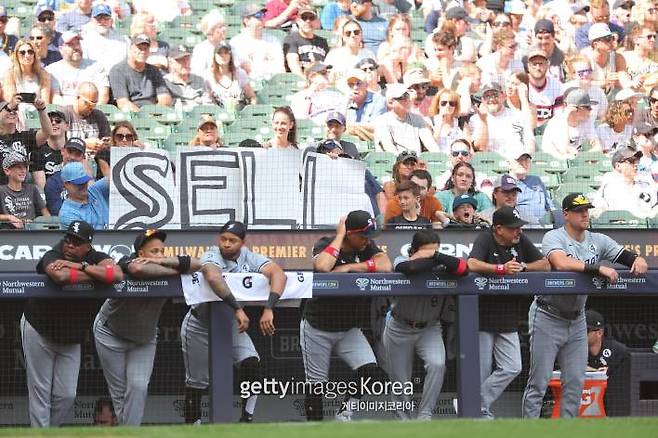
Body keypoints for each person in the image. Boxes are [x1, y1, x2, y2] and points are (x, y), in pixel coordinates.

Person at [521, 193, 648, 418]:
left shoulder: (598, 240)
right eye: (579, 210)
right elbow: (560, 263)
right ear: (566, 214)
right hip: (547, 314)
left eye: (587, 209)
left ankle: (568, 431)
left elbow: (629, 257)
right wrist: (598, 268)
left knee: (576, 381)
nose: (585, 214)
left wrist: (638, 260)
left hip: (577, 318)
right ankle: (530, 430)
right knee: (539, 381)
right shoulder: (554, 236)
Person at [181, 221, 287, 423]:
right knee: (197, 382)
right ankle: (192, 428)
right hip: (199, 324)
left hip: (229, 324)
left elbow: (278, 274)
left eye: (232, 240)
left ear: (242, 242)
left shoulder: (250, 256)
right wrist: (238, 308)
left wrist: (269, 308)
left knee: (251, 363)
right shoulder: (212, 254)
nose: (226, 244)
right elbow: (212, 276)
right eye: (223, 239)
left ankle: (246, 419)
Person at [94, 229, 200, 425]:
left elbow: (197, 265)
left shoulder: (164, 262)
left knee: (139, 387)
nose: (160, 255)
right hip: (110, 334)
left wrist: (160, 262)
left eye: (162, 251)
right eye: (154, 252)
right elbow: (138, 270)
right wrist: (175, 270)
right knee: (120, 396)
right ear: (141, 254)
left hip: (144, 339)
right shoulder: (127, 260)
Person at [22, 220, 122, 427]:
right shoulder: (54, 253)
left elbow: (117, 274)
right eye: (69, 239)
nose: (69, 245)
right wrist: (95, 275)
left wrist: (80, 266)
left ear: (88, 246)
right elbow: (59, 276)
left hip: (70, 336)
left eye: (77, 242)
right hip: (39, 327)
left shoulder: (95, 257)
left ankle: (49, 431)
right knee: (40, 393)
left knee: (67, 394)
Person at [303, 210, 391, 421]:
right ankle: (316, 431)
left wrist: (349, 267)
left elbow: (386, 265)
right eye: (362, 235)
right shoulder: (327, 243)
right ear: (349, 233)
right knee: (317, 385)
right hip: (318, 326)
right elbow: (323, 266)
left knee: (369, 370)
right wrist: (340, 235)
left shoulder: (367, 246)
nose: (367, 240)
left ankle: (344, 413)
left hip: (348, 328)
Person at [468, 207, 550, 419]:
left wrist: (524, 267)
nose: (518, 231)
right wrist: (500, 269)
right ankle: (480, 414)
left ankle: (473, 403)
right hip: (482, 316)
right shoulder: (486, 238)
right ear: (498, 229)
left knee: (513, 366)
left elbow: (545, 264)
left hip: (507, 316)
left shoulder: (520, 241)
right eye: (513, 228)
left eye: (519, 227)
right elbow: (472, 263)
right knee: (481, 372)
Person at [384, 230, 468, 420]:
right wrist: (432, 259)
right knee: (400, 379)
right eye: (426, 252)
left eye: (435, 252)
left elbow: (464, 269)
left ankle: (425, 415)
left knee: (438, 365)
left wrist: (435, 256)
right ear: (413, 250)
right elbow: (410, 268)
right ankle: (403, 422)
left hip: (429, 328)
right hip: (399, 327)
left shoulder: (442, 263)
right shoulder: (400, 259)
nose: (432, 255)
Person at [470, 82, 534, 159]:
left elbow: (530, 141)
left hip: (517, 161)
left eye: (495, 95)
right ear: (482, 100)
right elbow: (480, 148)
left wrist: (527, 158)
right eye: (487, 96)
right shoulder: (475, 119)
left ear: (504, 96)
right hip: (491, 163)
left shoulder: (518, 115)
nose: (491, 99)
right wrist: (483, 121)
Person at [109, 33, 172, 112]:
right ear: (130, 49)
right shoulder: (118, 70)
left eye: (145, 48)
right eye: (139, 48)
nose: (143, 52)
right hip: (131, 115)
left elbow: (165, 98)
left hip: (153, 113)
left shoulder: (154, 70)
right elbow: (123, 103)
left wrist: (155, 112)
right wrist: (143, 116)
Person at [586, 309, 630, 417]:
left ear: (599, 333)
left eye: (586, 331)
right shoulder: (573, 349)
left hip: (611, 403)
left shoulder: (617, 350)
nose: (580, 334)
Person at [47, 31, 110, 106]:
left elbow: (103, 95)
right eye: (71, 45)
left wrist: (93, 112)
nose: (76, 47)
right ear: (61, 49)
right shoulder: (52, 70)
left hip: (92, 112)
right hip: (64, 113)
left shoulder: (96, 67)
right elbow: (55, 97)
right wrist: (72, 113)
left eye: (78, 43)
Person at [592, 147, 658, 218]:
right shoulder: (609, 188)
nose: (636, 164)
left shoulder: (646, 187)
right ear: (618, 166)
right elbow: (598, 212)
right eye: (631, 161)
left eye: (637, 161)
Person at [0, 96, 53, 186]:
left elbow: (47, 132)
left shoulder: (25, 137)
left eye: (15, 110)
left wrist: (42, 110)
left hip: (20, 192)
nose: (12, 112)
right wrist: (9, 107)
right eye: (8, 110)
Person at [374, 84, 439, 154]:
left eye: (408, 96)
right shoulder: (382, 121)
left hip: (416, 162)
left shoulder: (417, 119)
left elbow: (430, 143)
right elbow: (389, 148)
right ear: (390, 102)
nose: (407, 100)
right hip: (393, 162)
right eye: (402, 97)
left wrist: (440, 158)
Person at [230, 4, 285, 83]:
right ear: (247, 21)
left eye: (263, 15)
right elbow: (241, 69)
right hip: (248, 85)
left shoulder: (273, 40)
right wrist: (267, 67)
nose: (262, 18)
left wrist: (255, 68)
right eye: (258, 16)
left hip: (273, 85)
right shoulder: (236, 42)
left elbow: (280, 68)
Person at [541, 89, 601, 160]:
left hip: (574, 162)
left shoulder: (586, 121)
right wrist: (566, 115)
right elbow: (564, 150)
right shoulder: (557, 122)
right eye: (588, 107)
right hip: (554, 163)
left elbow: (598, 147)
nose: (591, 110)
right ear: (575, 109)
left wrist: (583, 157)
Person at [44, 137, 93, 215]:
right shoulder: (53, 182)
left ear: (83, 157)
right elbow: (57, 212)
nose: (73, 157)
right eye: (70, 152)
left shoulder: (89, 178)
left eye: (77, 154)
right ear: (62, 151)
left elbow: (95, 205)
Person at [508, 153, 560, 225]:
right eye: (519, 160)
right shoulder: (505, 182)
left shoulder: (536, 179)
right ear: (509, 163)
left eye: (526, 161)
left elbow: (549, 205)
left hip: (544, 224)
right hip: (522, 225)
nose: (523, 163)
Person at [0, 153, 49, 229]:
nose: (23, 171)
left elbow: (45, 213)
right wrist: (9, 217)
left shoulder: (32, 189)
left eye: (25, 167)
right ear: (7, 171)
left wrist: (48, 227)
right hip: (8, 234)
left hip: (32, 232)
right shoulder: (2, 191)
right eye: (19, 167)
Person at [205, 43, 257, 112]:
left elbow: (252, 97)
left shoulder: (240, 74)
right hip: (217, 116)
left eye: (226, 53)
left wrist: (249, 111)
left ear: (230, 56)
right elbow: (207, 103)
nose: (223, 56)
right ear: (214, 56)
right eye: (219, 53)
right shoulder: (208, 77)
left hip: (239, 115)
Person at [60, 82, 111, 151]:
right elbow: (57, 145)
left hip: (95, 159)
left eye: (94, 104)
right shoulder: (64, 115)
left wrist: (103, 144)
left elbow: (107, 143)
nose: (91, 108)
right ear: (78, 97)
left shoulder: (99, 116)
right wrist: (84, 144)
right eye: (88, 103)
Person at [79, 4, 131, 72]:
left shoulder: (123, 39)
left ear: (111, 21)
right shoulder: (84, 40)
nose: (102, 21)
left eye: (106, 18)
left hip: (118, 78)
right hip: (94, 78)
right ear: (92, 20)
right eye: (98, 18)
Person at [59, 160, 109, 229]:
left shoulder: (95, 190)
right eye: (78, 183)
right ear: (66, 184)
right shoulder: (68, 214)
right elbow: (87, 237)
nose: (83, 185)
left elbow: (116, 178)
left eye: (84, 181)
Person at [282, 7, 329, 77]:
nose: (308, 21)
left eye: (311, 18)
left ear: (316, 21)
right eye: (304, 18)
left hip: (321, 79)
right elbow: (293, 64)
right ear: (298, 20)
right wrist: (304, 80)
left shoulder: (322, 42)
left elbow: (328, 65)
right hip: (300, 80)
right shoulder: (291, 39)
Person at [2, 39, 52, 105]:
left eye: (30, 52)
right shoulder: (10, 74)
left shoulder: (43, 74)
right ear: (16, 55)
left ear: (34, 54)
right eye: (22, 52)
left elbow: (46, 102)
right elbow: (10, 100)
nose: (27, 55)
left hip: (39, 111)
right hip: (17, 112)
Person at [324, 19, 375, 83]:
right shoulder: (333, 55)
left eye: (356, 32)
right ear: (343, 36)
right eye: (348, 33)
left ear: (361, 34)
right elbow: (327, 79)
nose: (353, 35)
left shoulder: (369, 54)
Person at [343, 68, 386, 142]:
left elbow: (376, 128)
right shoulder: (346, 102)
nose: (355, 87)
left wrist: (352, 127)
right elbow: (340, 125)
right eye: (351, 85)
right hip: (350, 143)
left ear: (366, 85)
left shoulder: (379, 100)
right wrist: (346, 103)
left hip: (372, 142)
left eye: (359, 83)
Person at [30, 109, 68, 190]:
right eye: (50, 121)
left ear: (66, 126)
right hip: (51, 196)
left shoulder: (74, 148)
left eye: (58, 121)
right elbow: (42, 188)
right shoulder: (37, 151)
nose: (53, 123)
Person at [163, 45, 207, 112]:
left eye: (187, 59)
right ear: (171, 62)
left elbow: (208, 106)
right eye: (181, 60)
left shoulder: (199, 80)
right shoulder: (165, 82)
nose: (186, 63)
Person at [526, 48, 563, 126]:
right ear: (528, 66)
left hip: (549, 131)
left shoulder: (556, 85)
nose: (538, 68)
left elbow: (559, 117)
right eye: (534, 64)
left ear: (547, 65)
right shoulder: (522, 84)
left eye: (541, 63)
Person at [190, 10, 227, 77]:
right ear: (210, 31)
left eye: (224, 26)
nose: (224, 29)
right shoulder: (200, 49)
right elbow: (197, 74)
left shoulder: (227, 46)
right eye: (220, 27)